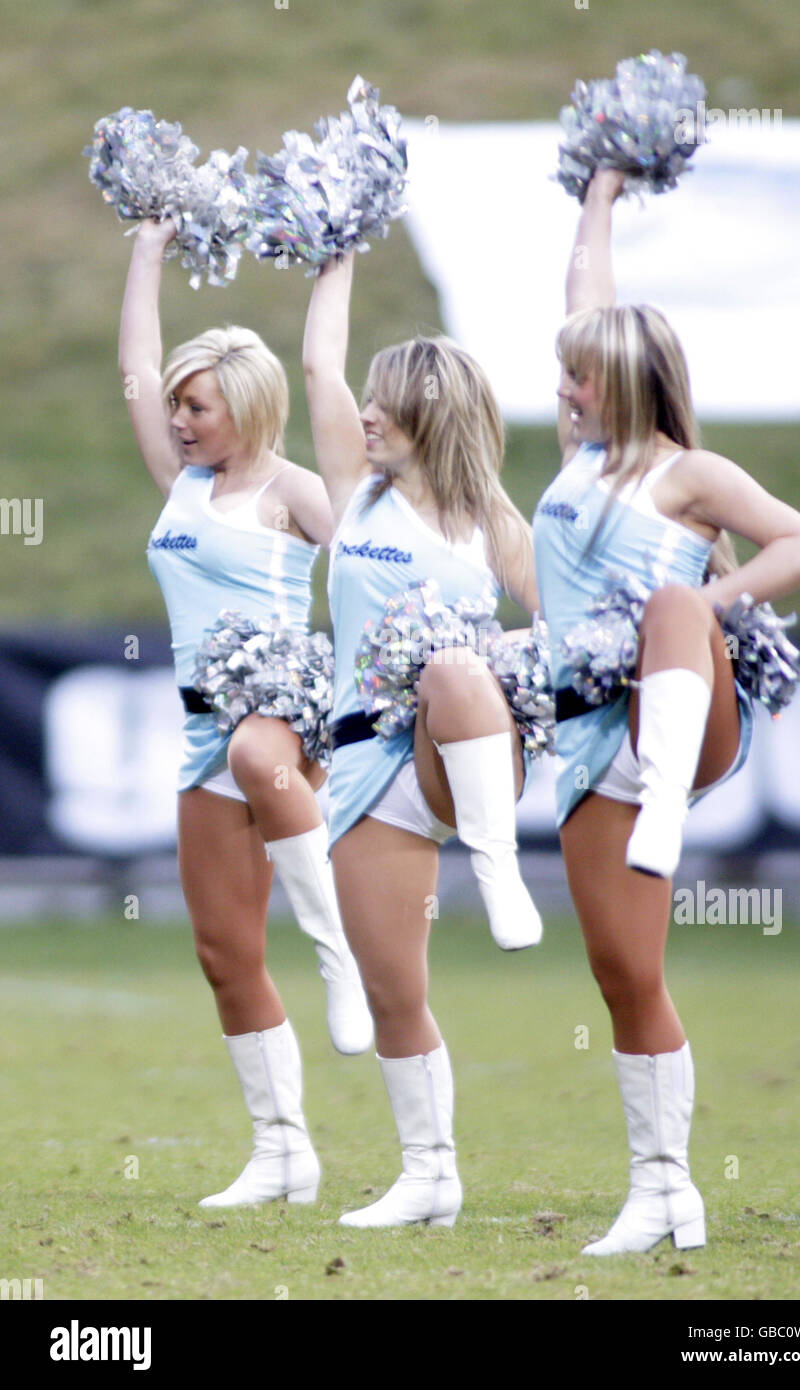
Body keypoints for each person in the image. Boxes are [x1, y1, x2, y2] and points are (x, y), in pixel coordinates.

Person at [533, 170, 800, 1254]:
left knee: (666, 601)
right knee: (625, 975)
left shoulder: (687, 472)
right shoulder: (577, 465)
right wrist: (599, 198)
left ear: (618, 381)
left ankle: (663, 807)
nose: (561, 389)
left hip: (685, 716)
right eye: (561, 373)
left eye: (576, 377)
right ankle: (664, 1191)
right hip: (583, 740)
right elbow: (584, 288)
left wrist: (710, 599)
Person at [118, 216, 373, 1209]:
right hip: (199, 731)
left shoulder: (291, 490)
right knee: (225, 954)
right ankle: (282, 1150)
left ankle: (340, 955)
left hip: (282, 714)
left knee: (258, 752)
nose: (180, 418)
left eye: (200, 406)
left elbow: (372, 561)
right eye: (178, 404)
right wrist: (148, 247)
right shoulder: (178, 483)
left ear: (250, 409)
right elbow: (136, 364)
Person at [302, 250, 541, 1227]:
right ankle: (428, 1173)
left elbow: (570, 628)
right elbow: (316, 368)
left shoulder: (489, 518)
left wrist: (490, 647)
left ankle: (499, 868)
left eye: (384, 403)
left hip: (463, 746)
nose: (364, 413)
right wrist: (336, 251)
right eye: (366, 400)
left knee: (450, 667)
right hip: (364, 761)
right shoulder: (356, 494)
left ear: (429, 413)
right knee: (391, 985)